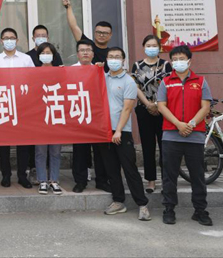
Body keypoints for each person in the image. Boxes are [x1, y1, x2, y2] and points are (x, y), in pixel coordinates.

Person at [156, 45, 213, 226]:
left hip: (194, 136)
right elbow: (161, 106)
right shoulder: (166, 82)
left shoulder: (201, 81)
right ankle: (169, 209)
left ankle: (200, 211)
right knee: (169, 175)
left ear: (189, 61)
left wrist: (191, 124)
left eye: (181, 59)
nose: (178, 62)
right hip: (171, 136)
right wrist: (178, 124)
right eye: (175, 59)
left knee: (197, 175)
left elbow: (205, 107)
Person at [97, 47, 151, 221]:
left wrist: (119, 130)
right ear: (106, 60)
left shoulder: (128, 81)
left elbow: (127, 109)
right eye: (111, 57)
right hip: (105, 130)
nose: (114, 59)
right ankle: (118, 201)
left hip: (122, 132)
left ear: (123, 60)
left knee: (129, 168)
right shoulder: (102, 78)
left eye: (117, 57)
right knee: (111, 169)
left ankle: (142, 204)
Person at [0, 28, 34, 189]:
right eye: (6, 38)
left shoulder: (26, 59)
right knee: (4, 145)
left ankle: (22, 175)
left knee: (23, 144)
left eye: (12, 38)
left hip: (23, 106)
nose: (9, 40)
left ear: (17, 40)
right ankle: (6, 175)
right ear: (1, 41)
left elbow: (34, 80)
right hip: (3, 105)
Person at [132, 35, 172, 194]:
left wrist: (158, 105)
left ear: (159, 47)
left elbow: (169, 86)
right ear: (143, 47)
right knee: (148, 146)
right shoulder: (137, 65)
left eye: (154, 45)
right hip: (144, 109)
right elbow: (135, 87)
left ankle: (167, 180)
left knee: (165, 146)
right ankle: (151, 181)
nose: (151, 48)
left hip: (163, 109)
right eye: (148, 45)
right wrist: (148, 104)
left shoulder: (166, 65)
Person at [71, 39, 110, 194]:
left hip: (96, 116)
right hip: (78, 114)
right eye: (82, 50)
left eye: (88, 50)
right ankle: (80, 181)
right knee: (79, 150)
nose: (85, 53)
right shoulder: (69, 71)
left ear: (93, 54)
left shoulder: (99, 70)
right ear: (77, 54)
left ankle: (101, 180)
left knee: (100, 150)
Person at [34, 42, 64, 195]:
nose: (46, 55)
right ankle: (42, 180)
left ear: (54, 55)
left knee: (55, 151)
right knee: (40, 151)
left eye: (48, 53)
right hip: (39, 117)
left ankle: (54, 180)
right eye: (43, 53)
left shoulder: (61, 71)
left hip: (56, 115)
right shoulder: (33, 73)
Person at [63, 0, 112, 67]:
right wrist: (68, 7)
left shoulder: (112, 54)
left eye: (105, 33)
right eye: (99, 32)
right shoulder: (87, 44)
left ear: (110, 35)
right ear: (94, 33)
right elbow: (74, 26)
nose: (101, 35)